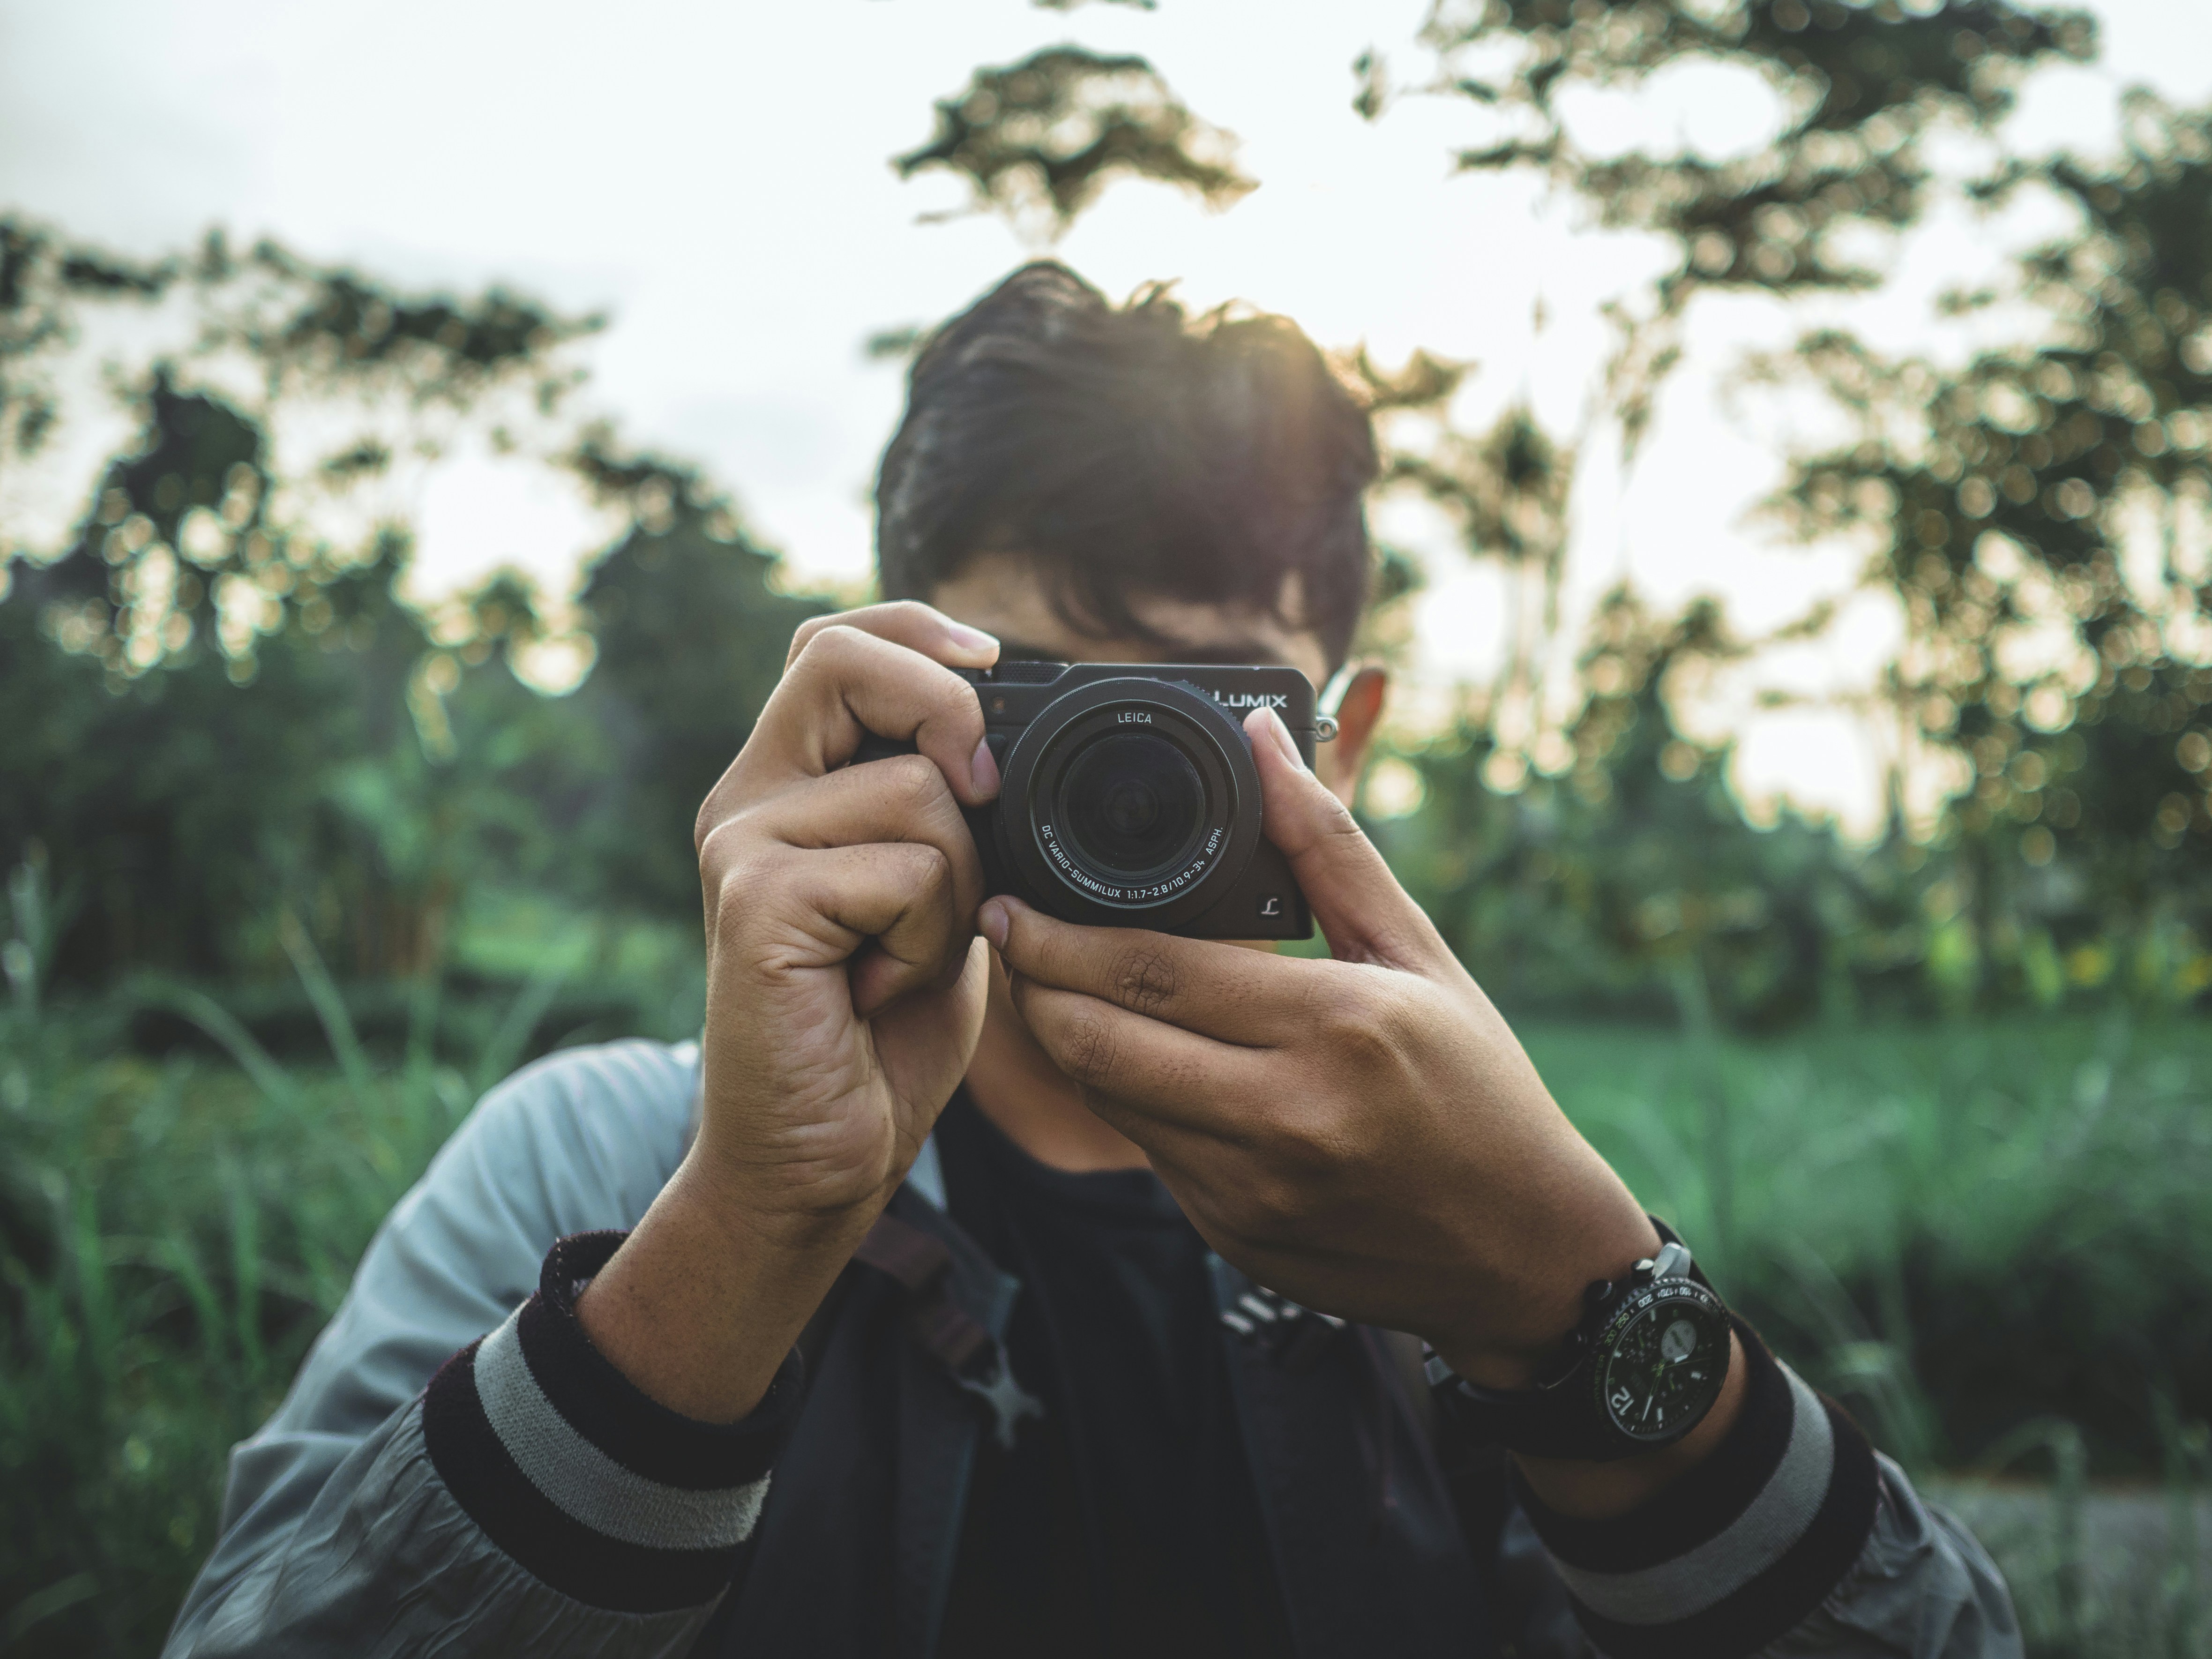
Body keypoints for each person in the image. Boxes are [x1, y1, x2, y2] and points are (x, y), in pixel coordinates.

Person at [164, 263, 2018, 1659]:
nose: (1122, 792)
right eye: (1048, 707)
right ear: (885, 687)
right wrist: (745, 1224)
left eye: (1206, 720)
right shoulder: (597, 1166)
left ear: (1343, 745)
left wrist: (1572, 1302)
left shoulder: (1456, 1208)